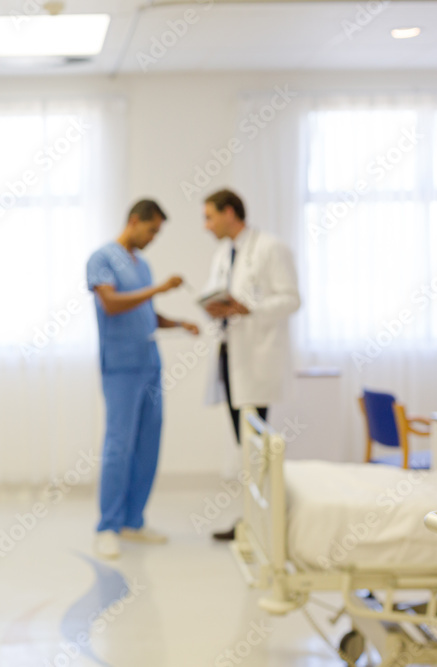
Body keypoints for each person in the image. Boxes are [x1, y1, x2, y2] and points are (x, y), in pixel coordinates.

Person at [87, 199, 200, 559]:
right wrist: (159, 288)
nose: (153, 238)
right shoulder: (101, 259)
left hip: (149, 363)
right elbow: (113, 303)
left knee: (148, 444)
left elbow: (145, 313)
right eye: (151, 230)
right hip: (121, 366)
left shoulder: (144, 265)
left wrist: (179, 324)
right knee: (118, 446)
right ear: (134, 221)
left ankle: (133, 521)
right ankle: (108, 526)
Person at [199, 189, 300, 541]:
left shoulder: (271, 248)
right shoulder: (223, 254)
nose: (206, 225)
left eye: (209, 216)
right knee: (246, 446)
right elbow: (217, 293)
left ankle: (263, 523)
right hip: (230, 356)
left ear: (230, 213)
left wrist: (250, 309)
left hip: (257, 360)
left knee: (255, 445)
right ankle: (253, 520)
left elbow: (291, 299)